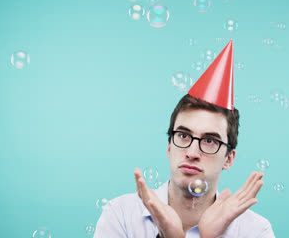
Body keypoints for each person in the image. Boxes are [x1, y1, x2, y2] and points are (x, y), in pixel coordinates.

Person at [93, 41, 275, 238]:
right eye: (183, 136)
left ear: (229, 158)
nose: (192, 152)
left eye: (210, 141)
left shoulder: (255, 231)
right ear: (169, 146)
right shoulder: (120, 216)